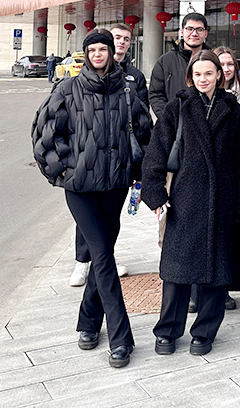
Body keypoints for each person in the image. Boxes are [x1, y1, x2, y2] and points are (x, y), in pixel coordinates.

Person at [31, 28, 151, 368]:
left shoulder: (127, 91)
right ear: (86, 54)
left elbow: (146, 134)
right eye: (93, 50)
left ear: (112, 53)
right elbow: (44, 135)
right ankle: (121, 338)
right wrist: (65, 172)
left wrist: (139, 173)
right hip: (81, 190)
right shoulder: (67, 89)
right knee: (102, 255)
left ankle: (87, 323)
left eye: (103, 49)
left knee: (103, 255)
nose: (98, 55)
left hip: (115, 186)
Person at [141, 50, 240, 357]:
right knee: (176, 272)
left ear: (220, 75)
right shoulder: (177, 107)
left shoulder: (232, 111)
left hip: (223, 201)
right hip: (184, 199)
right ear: (190, 77)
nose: (203, 79)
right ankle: (167, 331)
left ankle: (204, 332)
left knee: (217, 273)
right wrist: (155, 193)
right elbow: (156, 152)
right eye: (198, 74)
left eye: (209, 73)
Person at [70, 22, 148, 286]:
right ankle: (83, 261)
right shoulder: (74, 85)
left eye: (125, 38)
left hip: (117, 167)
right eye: (116, 38)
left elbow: (141, 121)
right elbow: (50, 132)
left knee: (109, 226)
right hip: (86, 168)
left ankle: (101, 268)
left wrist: (137, 167)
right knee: (89, 223)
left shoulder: (132, 79)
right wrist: (67, 167)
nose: (121, 42)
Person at [150, 12, 209, 120]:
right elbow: (156, 95)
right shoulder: (165, 61)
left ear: (205, 33)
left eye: (199, 29)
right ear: (182, 32)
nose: (194, 33)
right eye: (189, 29)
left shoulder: (213, 61)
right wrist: (169, 119)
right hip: (174, 124)